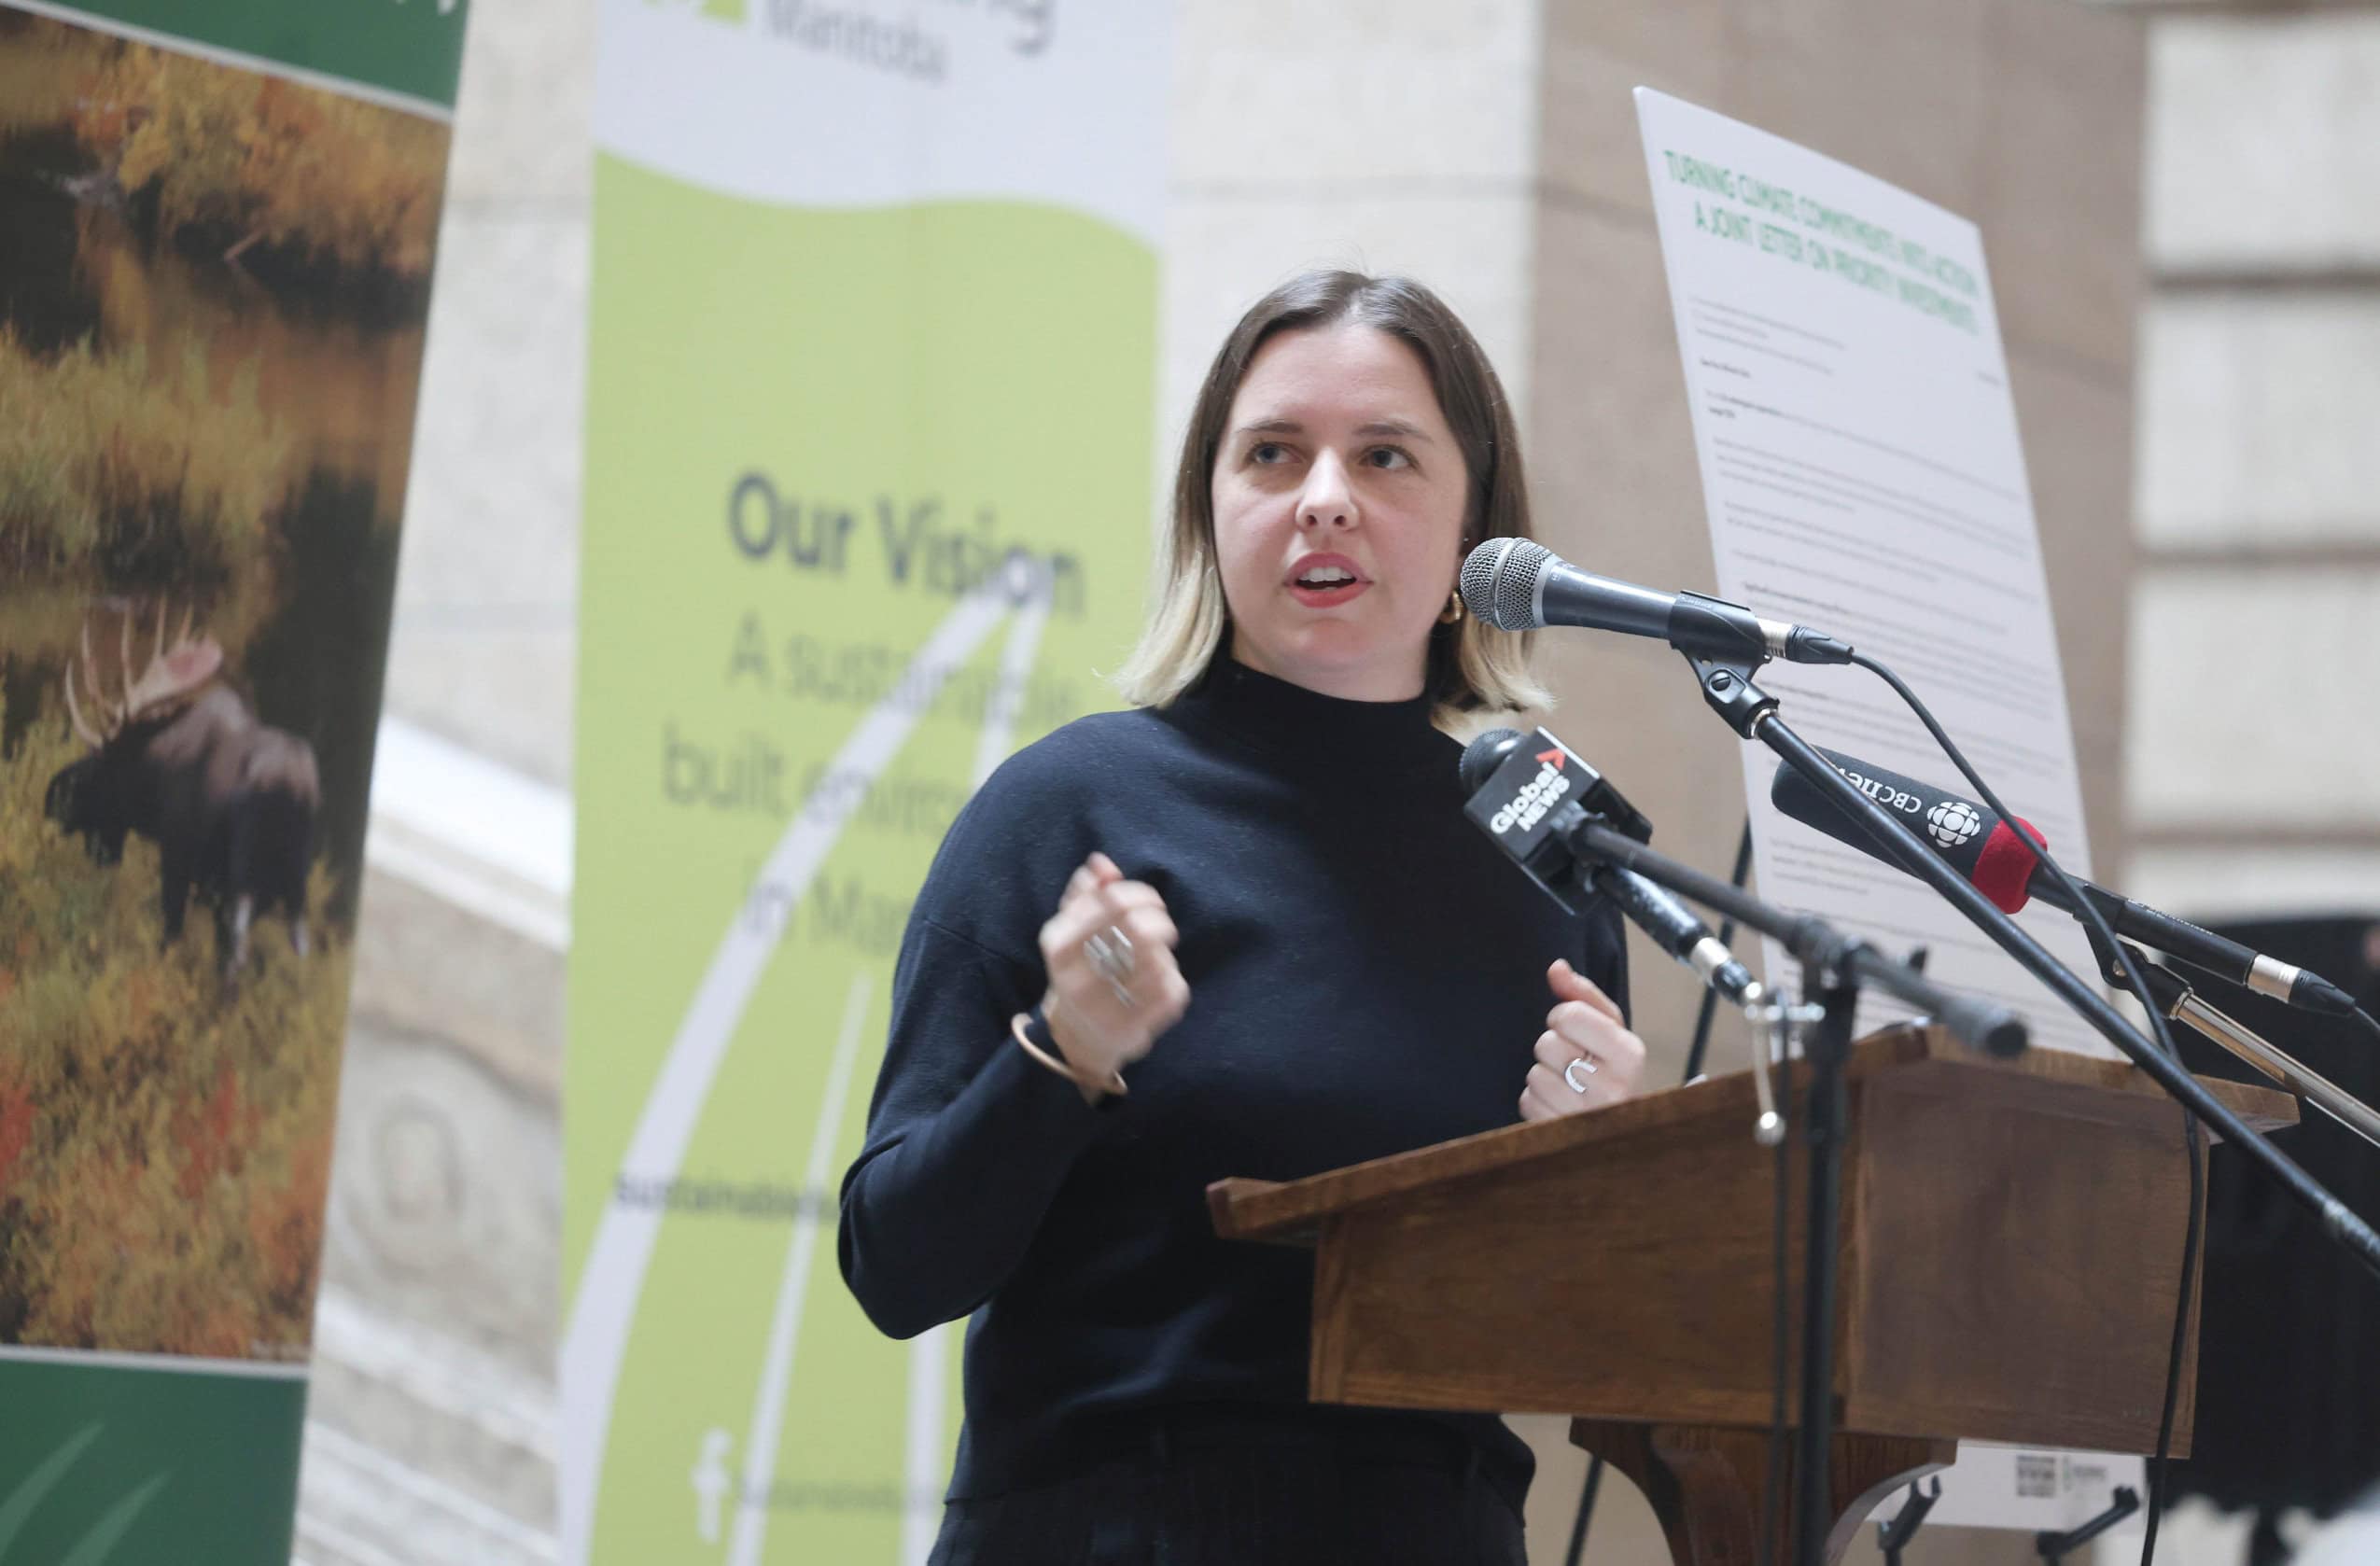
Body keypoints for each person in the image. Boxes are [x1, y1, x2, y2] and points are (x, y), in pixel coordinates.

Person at [837, 270, 1646, 1565]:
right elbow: (895, 1267)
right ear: (1211, 513)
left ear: (1472, 539)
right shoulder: (1065, 806)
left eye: (1384, 456)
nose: (1323, 495)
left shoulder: (1543, 850)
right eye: (1272, 453)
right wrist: (1062, 1053)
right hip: (1115, 1524)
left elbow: (1568, 1349)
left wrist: (1595, 1179)